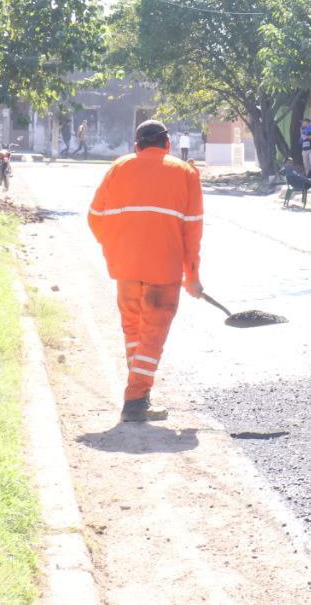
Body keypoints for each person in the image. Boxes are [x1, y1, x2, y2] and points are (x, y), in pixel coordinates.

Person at [87, 120, 203, 422]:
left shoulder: (118, 167)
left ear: (136, 145)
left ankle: (138, 392)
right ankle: (136, 400)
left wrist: (115, 248)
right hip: (163, 272)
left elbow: (95, 216)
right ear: (167, 144)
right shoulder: (186, 173)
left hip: (125, 269)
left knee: (134, 332)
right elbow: (192, 232)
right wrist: (192, 277)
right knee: (151, 336)